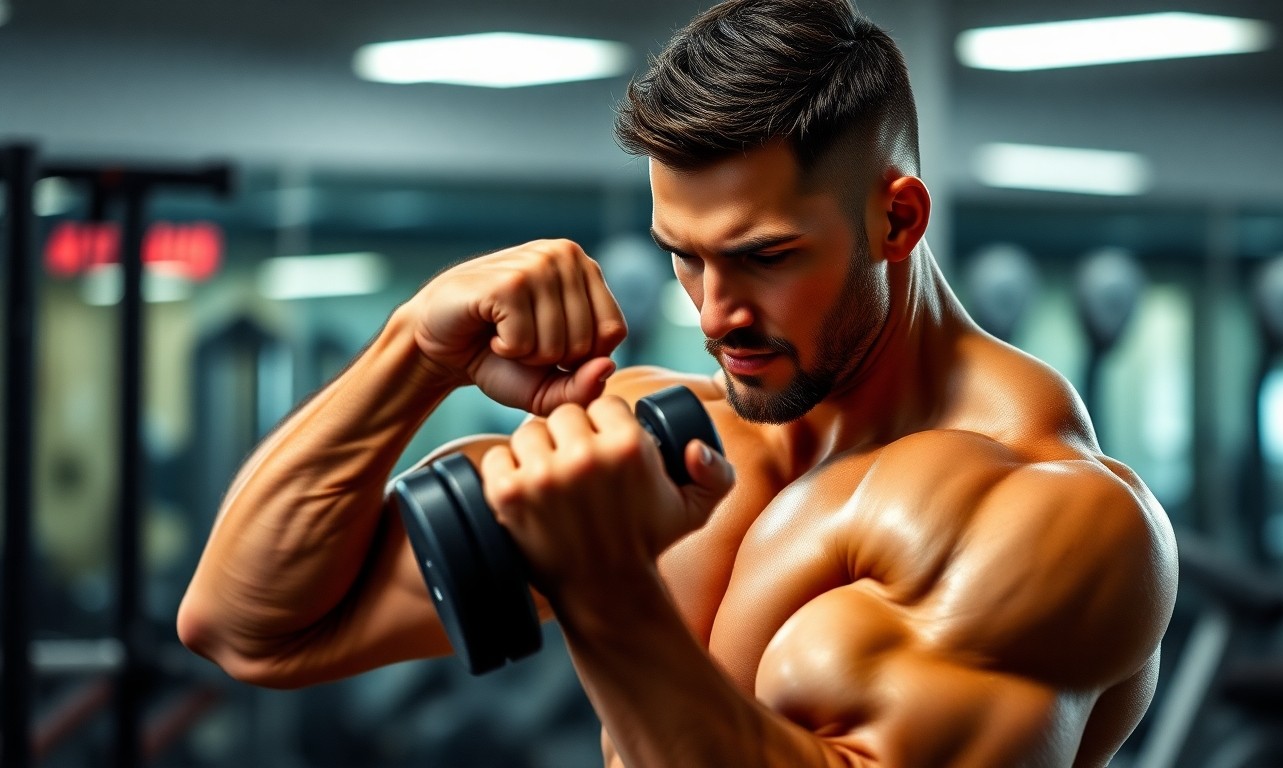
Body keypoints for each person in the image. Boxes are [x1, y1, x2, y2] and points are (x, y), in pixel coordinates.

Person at [178, 0, 1179, 765]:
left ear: (898, 222)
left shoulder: (1054, 519)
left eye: (765, 256)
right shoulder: (674, 435)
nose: (713, 313)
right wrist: (414, 355)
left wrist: (606, 584)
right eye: (685, 257)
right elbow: (253, 626)